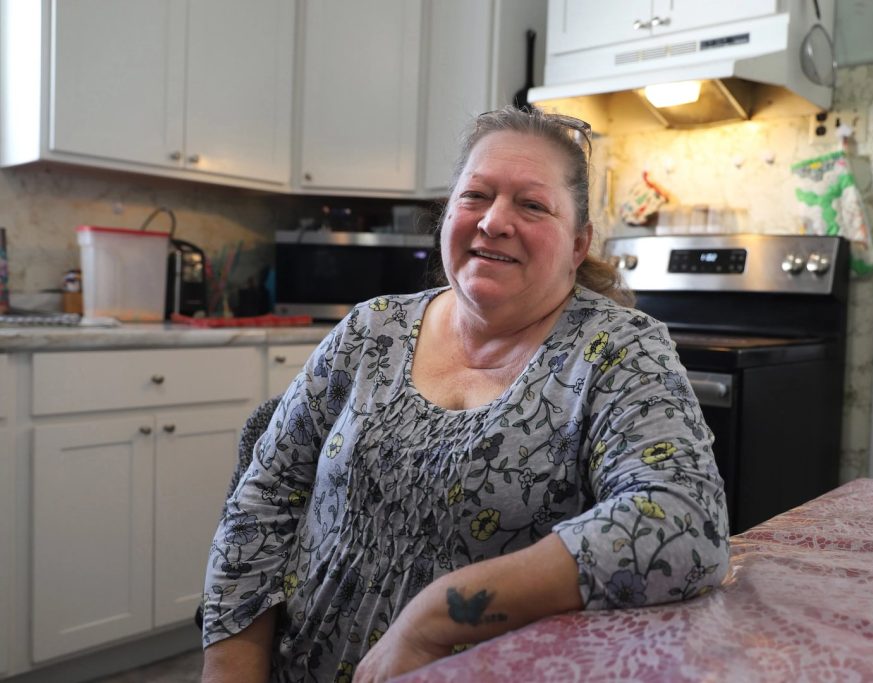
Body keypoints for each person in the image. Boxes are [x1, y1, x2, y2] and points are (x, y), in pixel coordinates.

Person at [201, 106, 729, 683]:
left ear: (578, 246)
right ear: (447, 215)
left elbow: (685, 521)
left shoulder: (618, 350)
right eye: (475, 196)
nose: (493, 221)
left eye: (531, 204)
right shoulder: (369, 330)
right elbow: (262, 502)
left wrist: (438, 615)